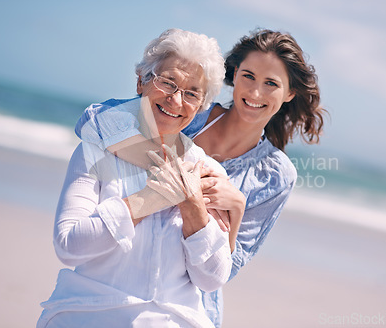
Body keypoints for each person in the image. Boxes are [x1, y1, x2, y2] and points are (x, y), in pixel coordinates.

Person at [75, 29, 327, 327]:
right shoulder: (190, 112)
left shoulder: (276, 175)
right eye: (248, 76)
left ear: (289, 94)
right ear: (234, 75)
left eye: (271, 83)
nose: (255, 93)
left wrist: (237, 209)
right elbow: (95, 119)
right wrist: (177, 177)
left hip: (190, 312)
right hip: (122, 285)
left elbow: (224, 271)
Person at [37, 29, 233, 328]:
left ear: (202, 105)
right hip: (90, 316)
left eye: (192, 93)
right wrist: (151, 199)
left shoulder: (205, 170)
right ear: (142, 80)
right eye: (167, 82)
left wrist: (193, 207)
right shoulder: (97, 149)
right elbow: (69, 246)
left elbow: (213, 277)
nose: (176, 99)